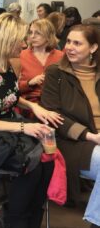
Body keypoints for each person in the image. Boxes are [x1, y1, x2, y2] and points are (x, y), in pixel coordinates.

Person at [0, 13, 63, 227]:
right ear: (5, 41)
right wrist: (23, 128)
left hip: (9, 125)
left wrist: (34, 106)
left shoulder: (13, 64)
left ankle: (26, 216)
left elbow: (10, 95)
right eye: (21, 38)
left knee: (49, 156)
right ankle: (15, 219)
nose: (25, 42)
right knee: (31, 164)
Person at [41, 25, 100, 227]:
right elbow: (52, 116)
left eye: (77, 43)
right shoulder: (56, 73)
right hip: (72, 141)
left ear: (93, 48)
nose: (70, 47)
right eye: (68, 42)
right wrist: (90, 136)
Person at [18, 19, 64, 118]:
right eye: (30, 32)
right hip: (29, 105)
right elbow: (13, 88)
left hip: (56, 103)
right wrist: (29, 83)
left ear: (48, 35)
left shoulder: (61, 57)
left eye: (37, 33)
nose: (32, 36)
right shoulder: (21, 56)